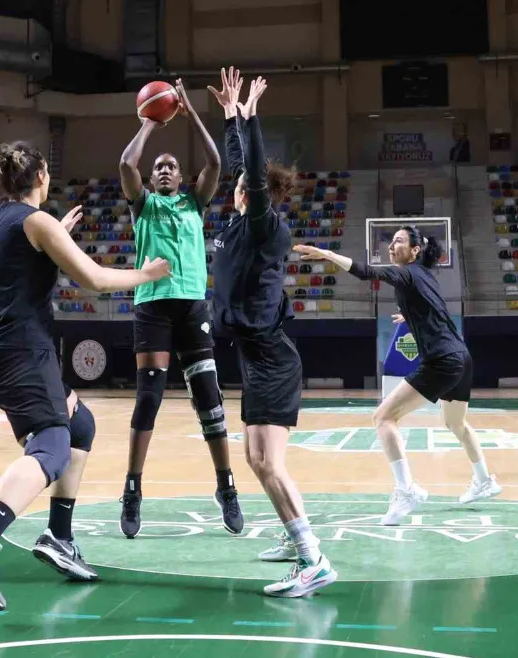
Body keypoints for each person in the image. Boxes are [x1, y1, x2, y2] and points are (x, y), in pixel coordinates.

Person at [0, 141, 171, 611]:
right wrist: (148, 274)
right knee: (51, 445)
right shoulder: (36, 222)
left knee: (80, 425)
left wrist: (56, 234)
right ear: (42, 175)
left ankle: (58, 538)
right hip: (23, 354)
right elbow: (97, 280)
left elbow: (25, 262)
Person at [209, 67, 336, 598]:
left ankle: (315, 560)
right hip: (255, 356)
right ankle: (293, 535)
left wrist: (252, 118)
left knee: (270, 462)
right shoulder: (240, 222)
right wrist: (231, 118)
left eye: (245, 187)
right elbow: (240, 169)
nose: (239, 187)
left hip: (272, 359)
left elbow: (252, 173)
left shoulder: (265, 225)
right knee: (256, 459)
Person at [294, 227, 501, 526]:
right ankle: (484, 480)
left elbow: (365, 272)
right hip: (461, 357)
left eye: (399, 241)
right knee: (455, 422)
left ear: (415, 250)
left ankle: (407, 490)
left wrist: (327, 254)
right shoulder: (424, 276)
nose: (392, 246)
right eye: (390, 241)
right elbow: (434, 307)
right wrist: (411, 315)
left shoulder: (407, 274)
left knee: (383, 418)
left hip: (442, 360)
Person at [118, 78, 243, 538]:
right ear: (152, 180)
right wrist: (151, 121)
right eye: (160, 168)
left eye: (172, 165)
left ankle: (225, 485)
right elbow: (126, 162)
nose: (166, 170)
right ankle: (132, 488)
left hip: (192, 307)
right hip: (152, 306)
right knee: (147, 400)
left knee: (209, 399)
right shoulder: (143, 205)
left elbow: (214, 161)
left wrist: (189, 112)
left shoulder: (196, 202)